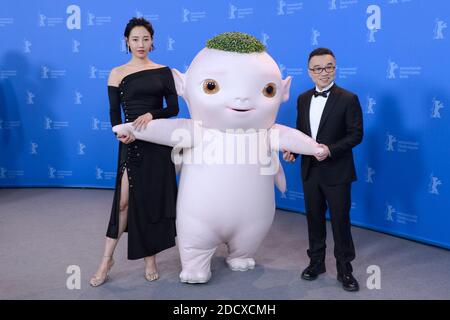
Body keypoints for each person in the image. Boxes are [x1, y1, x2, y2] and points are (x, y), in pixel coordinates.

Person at [90, 17, 179, 287]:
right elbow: (113, 113)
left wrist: (153, 114)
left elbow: (173, 109)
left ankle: (149, 259)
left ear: (153, 41)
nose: (141, 44)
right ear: (127, 42)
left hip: (157, 143)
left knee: (150, 201)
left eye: (146, 39)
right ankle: (106, 260)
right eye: (135, 39)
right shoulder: (117, 73)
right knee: (123, 203)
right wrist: (121, 132)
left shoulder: (164, 71)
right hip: (130, 143)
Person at [283, 48, 363, 291]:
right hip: (310, 171)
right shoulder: (303, 98)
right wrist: (293, 150)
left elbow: (356, 134)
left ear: (335, 68)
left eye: (329, 67)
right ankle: (316, 262)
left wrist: (331, 149)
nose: (324, 72)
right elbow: (301, 133)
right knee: (314, 219)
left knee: (340, 221)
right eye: (318, 68)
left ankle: (345, 270)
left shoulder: (349, 98)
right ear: (309, 72)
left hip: (337, 171)